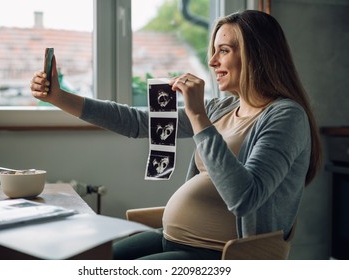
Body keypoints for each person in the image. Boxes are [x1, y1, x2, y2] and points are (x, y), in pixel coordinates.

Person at [30, 10, 322, 260]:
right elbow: (139, 122)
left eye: (224, 50)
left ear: (257, 56)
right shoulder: (224, 107)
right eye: (214, 50)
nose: (212, 61)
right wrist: (59, 97)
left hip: (219, 254)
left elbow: (245, 197)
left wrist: (197, 115)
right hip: (172, 237)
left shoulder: (286, 117)